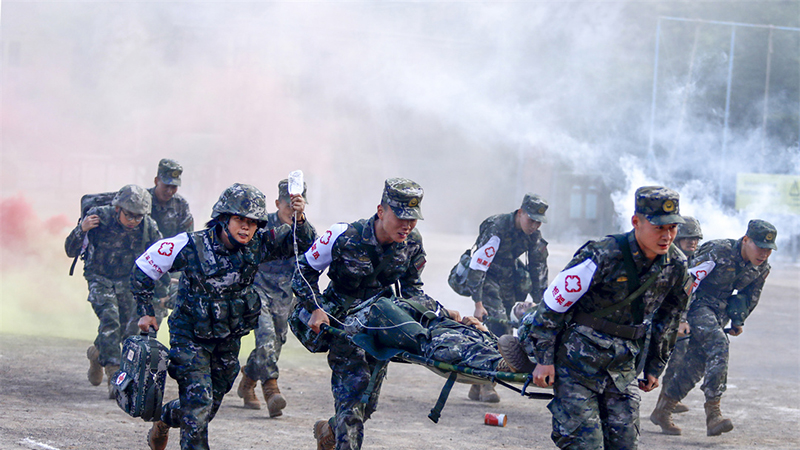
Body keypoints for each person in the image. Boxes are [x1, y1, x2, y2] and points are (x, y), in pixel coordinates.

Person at [132, 183, 314, 450]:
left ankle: (164, 419)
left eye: (252, 222)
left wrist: (300, 219)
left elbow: (302, 243)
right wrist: (146, 311)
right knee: (199, 404)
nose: (245, 227)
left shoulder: (258, 245)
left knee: (207, 406)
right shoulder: (191, 245)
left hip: (227, 339)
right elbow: (145, 267)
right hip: (189, 337)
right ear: (223, 218)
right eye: (239, 219)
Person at [513, 186, 691, 450]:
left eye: (673, 228)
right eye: (658, 227)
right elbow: (553, 305)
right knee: (585, 444)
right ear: (636, 222)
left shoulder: (676, 265)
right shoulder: (602, 254)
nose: (667, 236)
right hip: (577, 363)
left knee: (625, 444)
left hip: (623, 366)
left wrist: (655, 365)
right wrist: (544, 360)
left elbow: (670, 316)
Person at [292, 178, 443, 450]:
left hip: (378, 327)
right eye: (401, 217)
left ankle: (328, 430)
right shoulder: (344, 235)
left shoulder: (412, 243)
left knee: (367, 405)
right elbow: (303, 270)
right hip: (343, 326)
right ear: (381, 211)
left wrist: (443, 315)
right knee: (352, 404)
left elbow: (412, 291)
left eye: (413, 219)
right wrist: (315, 309)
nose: (407, 225)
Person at [650, 219, 777, 437]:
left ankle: (663, 410)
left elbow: (751, 296)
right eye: (760, 247)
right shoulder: (718, 251)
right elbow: (687, 281)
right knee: (719, 345)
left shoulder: (761, 267)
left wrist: (739, 320)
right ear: (745, 240)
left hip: (720, 313)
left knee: (695, 364)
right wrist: (680, 317)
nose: (764, 254)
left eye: (768, 250)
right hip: (697, 305)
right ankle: (713, 413)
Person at [64, 184, 163, 398]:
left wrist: (163, 290)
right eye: (129, 215)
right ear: (117, 208)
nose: (133, 221)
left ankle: (97, 353)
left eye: (138, 217)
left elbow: (161, 257)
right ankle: (114, 375)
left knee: (126, 331)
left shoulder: (148, 226)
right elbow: (70, 250)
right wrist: (81, 229)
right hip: (99, 277)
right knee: (110, 320)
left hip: (127, 281)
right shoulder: (97, 218)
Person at [237, 179, 317, 416]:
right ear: (277, 203)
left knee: (275, 342)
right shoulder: (260, 225)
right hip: (257, 288)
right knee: (266, 336)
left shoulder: (304, 230)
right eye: (288, 207)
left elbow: (313, 255)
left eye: (297, 207)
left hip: (284, 295)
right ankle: (271, 388)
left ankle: (249, 379)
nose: (292, 212)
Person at [461, 193, 549, 403]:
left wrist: (542, 307)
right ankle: (486, 384)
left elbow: (538, 270)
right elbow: (479, 265)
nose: (535, 225)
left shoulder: (533, 235)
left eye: (539, 221)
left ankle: (477, 383)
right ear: (520, 213)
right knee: (499, 328)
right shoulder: (497, 227)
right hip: (487, 280)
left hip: (509, 282)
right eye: (531, 219)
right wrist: (478, 303)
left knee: (507, 324)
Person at [661, 216, 703, 415]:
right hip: (662, 318)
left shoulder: (694, 260)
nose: (693, 242)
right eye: (688, 238)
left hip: (678, 321)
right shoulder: (670, 258)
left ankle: (665, 402)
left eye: (696, 239)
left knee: (679, 358)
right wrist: (681, 319)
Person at [148, 158, 194, 325]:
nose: (170, 191)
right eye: (166, 185)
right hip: (142, 265)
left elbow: (186, 243)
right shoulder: (141, 202)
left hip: (169, 266)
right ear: (156, 181)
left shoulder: (181, 206)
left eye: (173, 187)